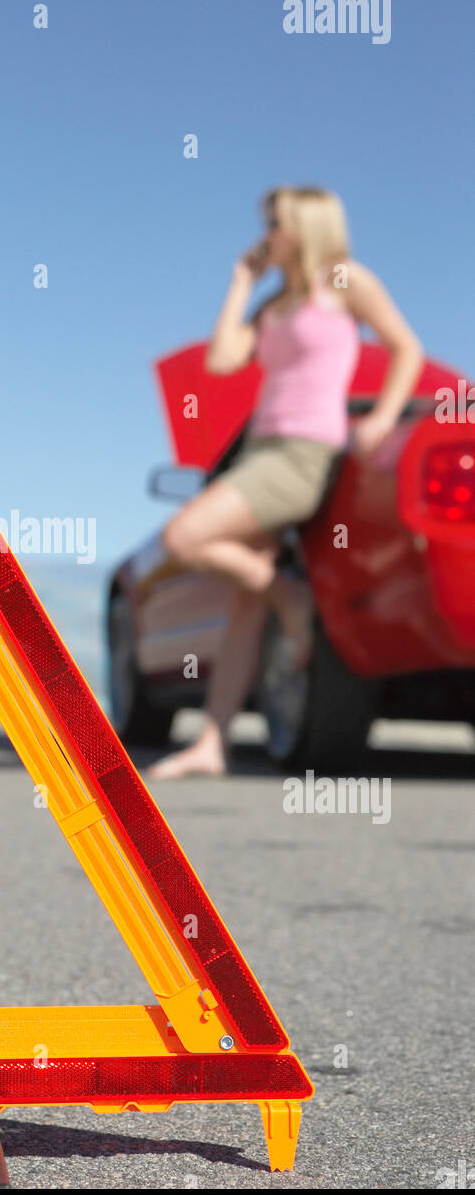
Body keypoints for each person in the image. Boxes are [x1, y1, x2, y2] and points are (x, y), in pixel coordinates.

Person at [147, 185, 423, 778]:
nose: (264, 233)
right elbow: (221, 360)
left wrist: (378, 419)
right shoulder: (272, 306)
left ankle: (290, 597)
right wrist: (242, 283)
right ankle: (212, 743)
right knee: (245, 601)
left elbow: (405, 347)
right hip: (260, 448)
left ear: (305, 225)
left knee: (185, 537)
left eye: (275, 222)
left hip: (304, 452)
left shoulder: (343, 280)